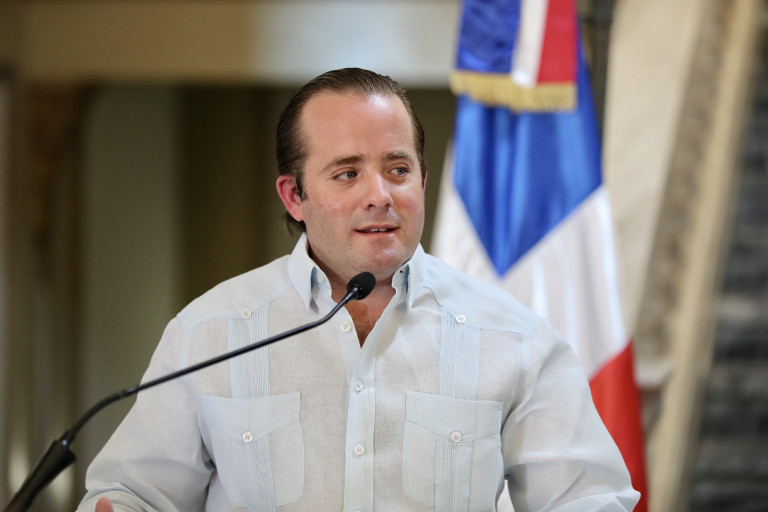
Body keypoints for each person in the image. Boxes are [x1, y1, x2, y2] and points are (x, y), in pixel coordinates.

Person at [79, 68, 640, 512]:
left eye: (398, 169)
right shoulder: (209, 333)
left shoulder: (516, 338)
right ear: (294, 196)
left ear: (423, 180)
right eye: (347, 174)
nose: (380, 195)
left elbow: (588, 499)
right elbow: (133, 493)